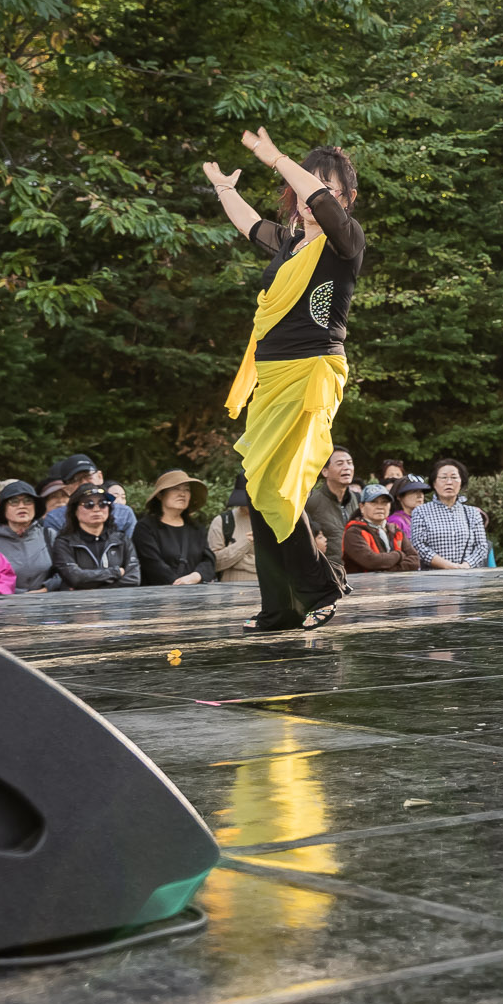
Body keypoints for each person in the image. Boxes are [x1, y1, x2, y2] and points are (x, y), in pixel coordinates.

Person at [204, 128, 365, 633]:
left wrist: (276, 159)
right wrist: (226, 190)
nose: (315, 196)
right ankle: (281, 607)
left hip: (311, 373)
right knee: (259, 491)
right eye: (309, 187)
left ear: (346, 199)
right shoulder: (292, 243)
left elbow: (318, 199)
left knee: (278, 489)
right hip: (271, 380)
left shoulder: (346, 242)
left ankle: (321, 588)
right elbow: (253, 226)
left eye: (329, 189)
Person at [136, 470, 220, 587]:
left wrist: (195, 576)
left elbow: (208, 560)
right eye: (176, 488)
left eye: (187, 489)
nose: (182, 494)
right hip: (157, 598)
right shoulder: (145, 528)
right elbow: (152, 564)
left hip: (195, 596)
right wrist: (179, 585)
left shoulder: (196, 528)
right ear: (160, 495)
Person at [51, 487, 141, 590]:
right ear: (75, 510)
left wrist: (96, 591)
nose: (97, 509)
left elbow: (133, 579)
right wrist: (116, 572)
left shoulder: (122, 540)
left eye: (103, 503)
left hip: (118, 603)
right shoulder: (64, 543)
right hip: (79, 604)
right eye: (89, 505)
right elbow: (75, 578)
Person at [410, 459, 490, 570]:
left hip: (468, 577)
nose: (449, 482)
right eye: (443, 478)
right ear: (434, 483)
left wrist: (466, 566)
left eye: (454, 477)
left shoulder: (473, 513)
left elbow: (481, 547)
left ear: (461, 482)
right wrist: (448, 566)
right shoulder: (420, 512)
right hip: (433, 579)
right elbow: (419, 546)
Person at [41, 455, 136, 539]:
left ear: (100, 477)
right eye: (75, 479)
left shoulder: (124, 514)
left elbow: (132, 553)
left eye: (88, 476)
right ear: (66, 488)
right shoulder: (55, 519)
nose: (84, 483)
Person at [0, 483, 60, 592]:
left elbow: (64, 571)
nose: (22, 506)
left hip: (48, 603)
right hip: (7, 605)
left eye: (28, 501)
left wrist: (46, 588)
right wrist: (22, 595)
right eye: (14, 502)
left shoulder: (49, 535)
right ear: (3, 508)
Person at [308, 448, 359, 599]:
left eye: (349, 463)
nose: (346, 467)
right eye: (340, 463)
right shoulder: (312, 502)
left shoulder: (358, 499)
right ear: (325, 472)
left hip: (358, 574)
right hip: (327, 577)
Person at [344, 482, 424, 574]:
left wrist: (387, 570)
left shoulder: (395, 529)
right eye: (374, 502)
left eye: (384, 502)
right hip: (362, 587)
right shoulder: (354, 532)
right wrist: (399, 555)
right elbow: (371, 561)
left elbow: (414, 561)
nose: (380, 507)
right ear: (362, 507)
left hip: (397, 586)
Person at [208, 486, 259, 583]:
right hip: (231, 594)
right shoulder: (223, 522)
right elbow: (214, 563)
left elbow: (280, 564)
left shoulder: (275, 521)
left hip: (268, 593)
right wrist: (245, 542)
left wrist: (235, 560)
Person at [388, 475, 430, 546]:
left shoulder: (424, 517)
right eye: (414, 491)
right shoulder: (396, 521)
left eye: (421, 491)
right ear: (399, 496)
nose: (420, 495)